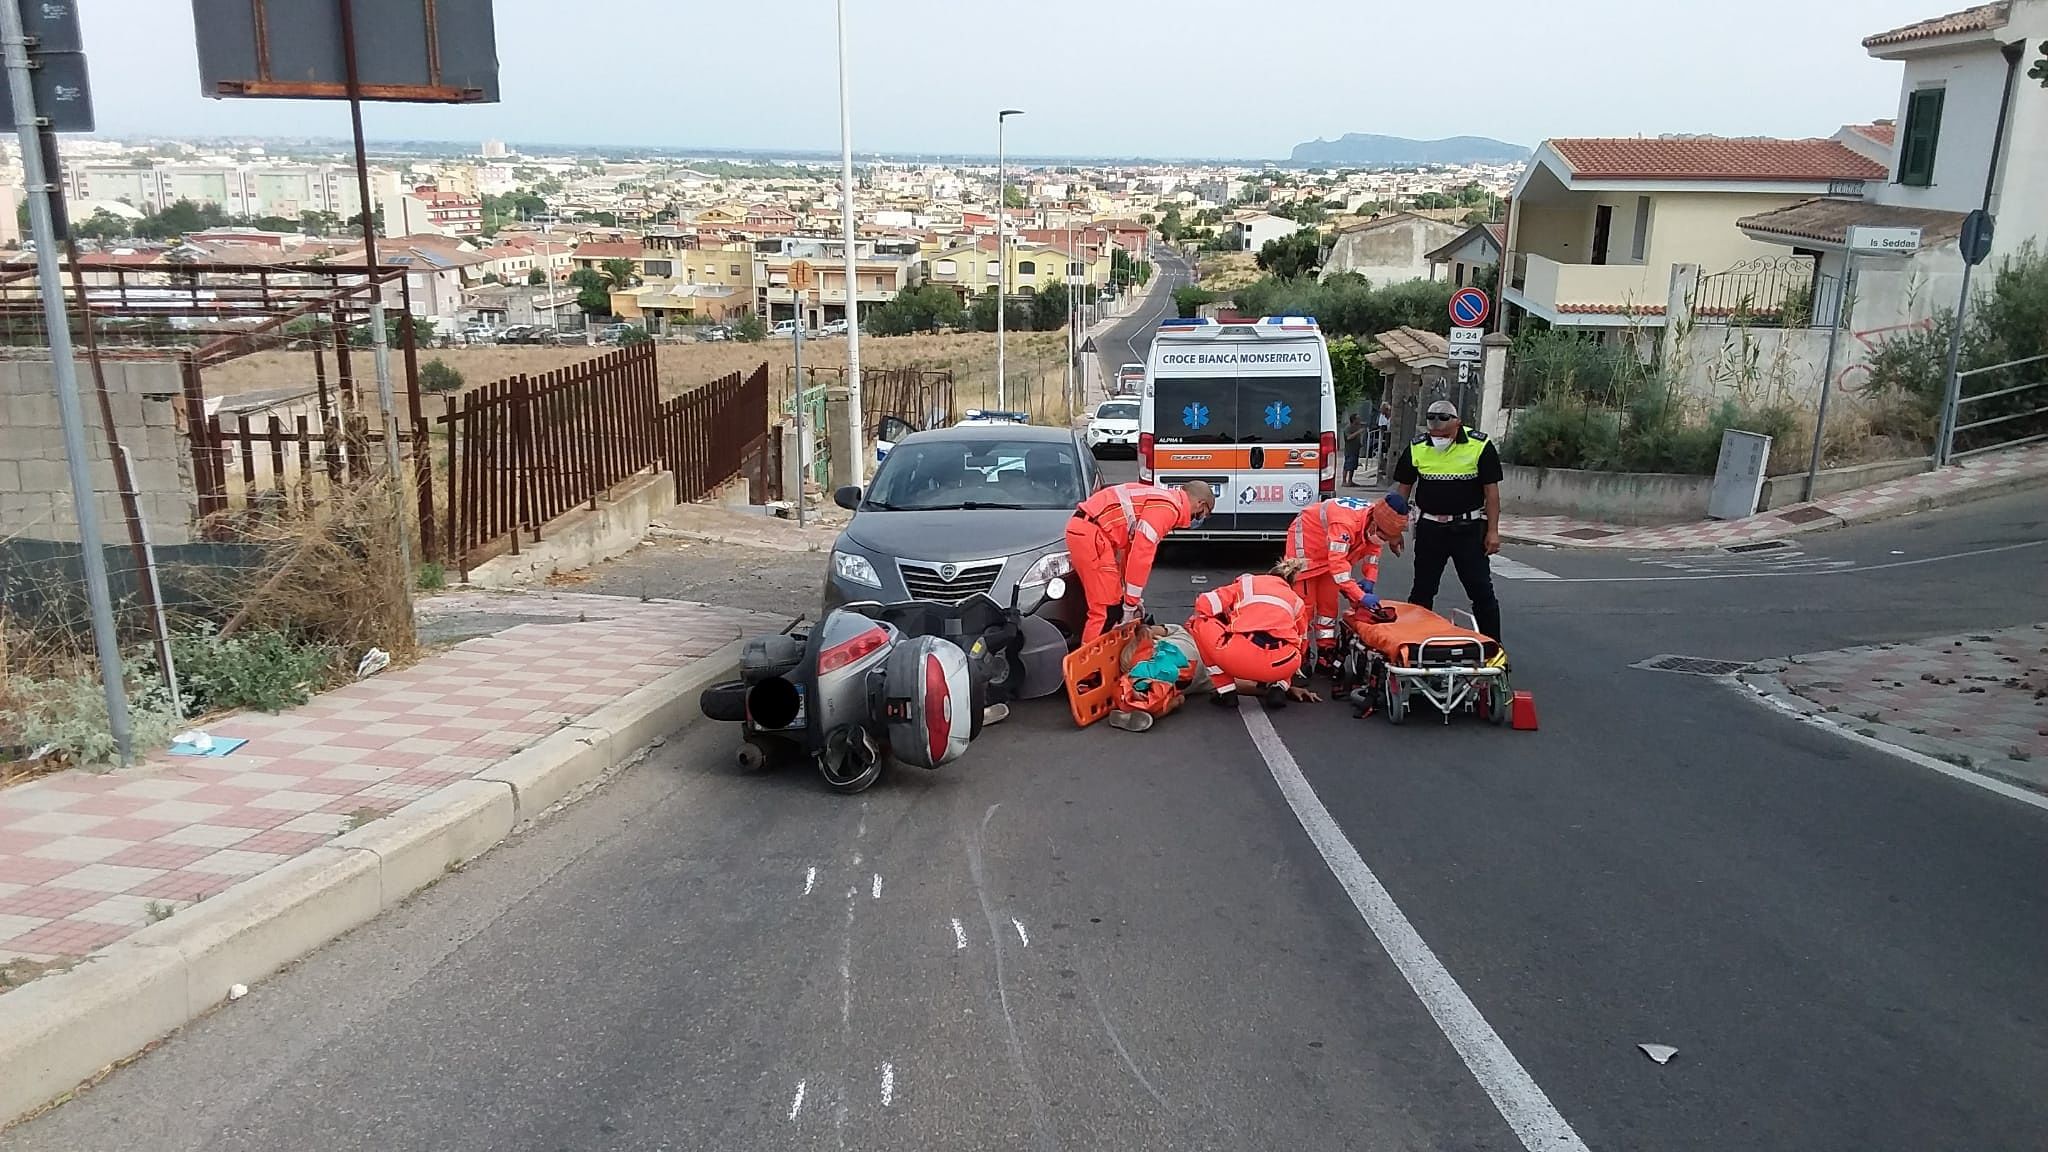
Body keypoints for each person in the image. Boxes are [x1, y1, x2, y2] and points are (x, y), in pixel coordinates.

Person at [1392, 398, 1503, 642]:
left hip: (1468, 529)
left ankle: (1494, 650)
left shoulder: (1479, 444)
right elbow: (1403, 490)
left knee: (1481, 591)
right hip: (1430, 528)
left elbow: (1491, 492)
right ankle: (1414, 646)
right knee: (1422, 590)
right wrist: (1395, 528)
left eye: (1443, 432)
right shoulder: (1418, 446)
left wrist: (1493, 531)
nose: (1437, 436)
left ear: (1457, 423)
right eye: (1433, 432)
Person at [1066, 480, 1217, 643]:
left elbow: (1130, 551)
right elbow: (1141, 555)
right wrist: (1130, 604)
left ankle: (1096, 660)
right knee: (1105, 610)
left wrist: (1131, 599)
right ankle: (1089, 665)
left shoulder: (1162, 501)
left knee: (1112, 606)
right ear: (1200, 503)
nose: (1199, 518)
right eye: (1203, 513)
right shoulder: (1167, 510)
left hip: (1091, 531)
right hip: (1092, 535)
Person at [1282, 493, 1410, 666]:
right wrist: (1360, 596)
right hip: (1307, 543)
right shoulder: (1345, 524)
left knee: (1328, 604)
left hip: (1329, 550)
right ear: (1375, 524)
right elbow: (1339, 566)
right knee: (1305, 607)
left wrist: (1369, 579)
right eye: (1384, 536)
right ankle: (1299, 654)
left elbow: (1372, 550)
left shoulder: (1373, 519)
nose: (1383, 541)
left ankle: (1325, 650)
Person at [1187, 560, 1321, 708]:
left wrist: (1225, 622)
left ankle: (1225, 690)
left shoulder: (1247, 585)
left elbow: (1205, 604)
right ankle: (1280, 687)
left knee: (1198, 621)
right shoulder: (1297, 601)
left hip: (1241, 656)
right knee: (1292, 648)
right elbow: (1302, 644)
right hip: (1283, 664)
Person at [1341, 413, 1366, 486]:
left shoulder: (1357, 427)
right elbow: (1348, 437)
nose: (1359, 420)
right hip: (1349, 450)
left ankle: (1350, 480)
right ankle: (1344, 481)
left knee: (1353, 466)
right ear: (1354, 420)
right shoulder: (1348, 428)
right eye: (1358, 418)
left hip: (1356, 449)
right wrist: (1358, 432)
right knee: (1347, 465)